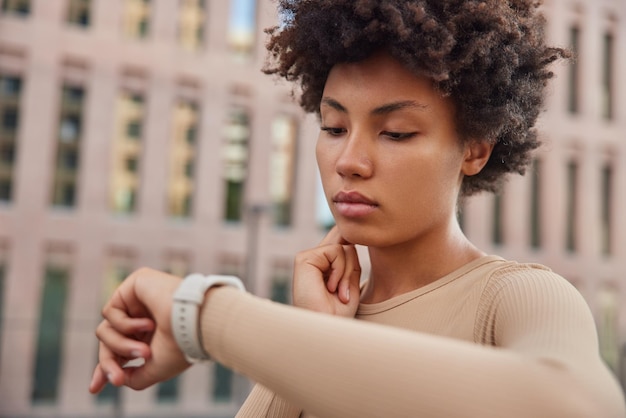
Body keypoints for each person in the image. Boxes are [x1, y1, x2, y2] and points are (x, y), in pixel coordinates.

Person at [89, 1, 626, 417]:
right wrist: (313, 334)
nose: (349, 161)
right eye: (333, 127)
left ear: (474, 149)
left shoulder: (515, 297)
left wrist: (202, 316)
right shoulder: (324, 314)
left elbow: (576, 405)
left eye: (394, 132)